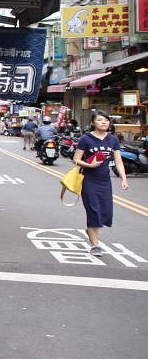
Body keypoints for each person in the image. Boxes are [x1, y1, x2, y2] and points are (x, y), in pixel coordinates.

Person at [73, 110, 128, 256]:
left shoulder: (113, 140)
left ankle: (91, 230)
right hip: (89, 180)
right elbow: (76, 159)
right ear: (93, 123)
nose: (104, 122)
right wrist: (89, 165)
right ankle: (95, 245)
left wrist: (123, 178)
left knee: (106, 213)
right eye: (100, 120)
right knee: (93, 211)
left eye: (106, 120)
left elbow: (118, 161)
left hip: (105, 181)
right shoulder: (86, 139)